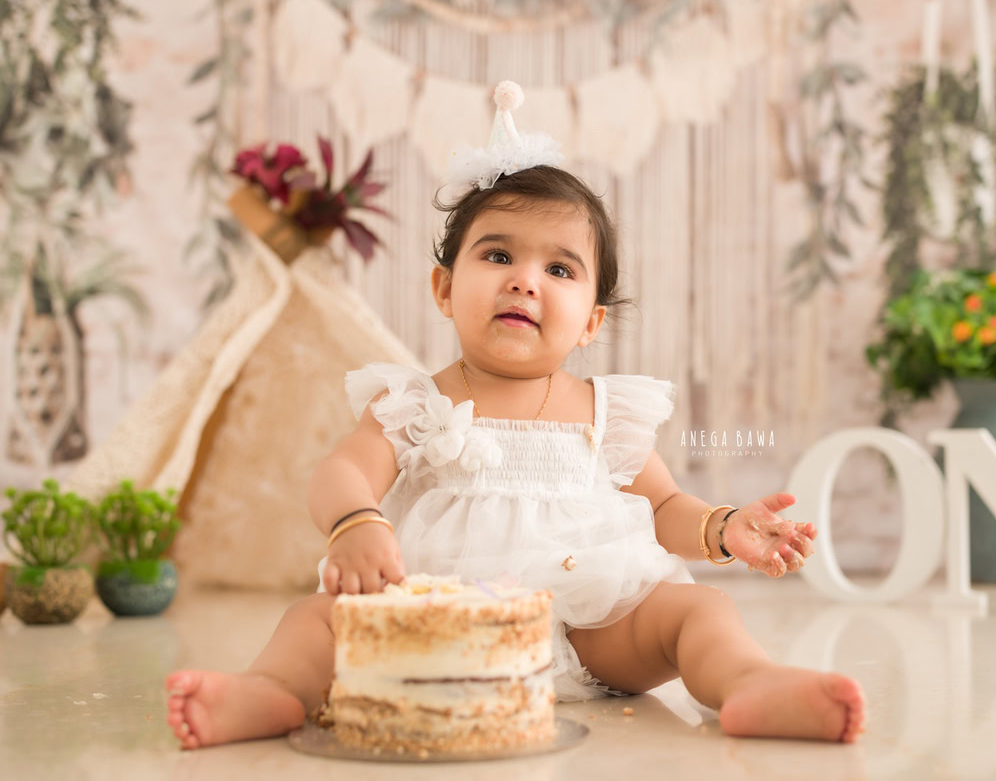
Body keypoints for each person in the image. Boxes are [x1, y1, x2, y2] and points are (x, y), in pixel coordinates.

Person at [166, 82, 866, 749]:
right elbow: (343, 469)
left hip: (597, 623)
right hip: (438, 630)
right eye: (498, 254)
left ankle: (750, 683)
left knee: (701, 614)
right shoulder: (413, 401)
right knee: (317, 621)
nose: (524, 280)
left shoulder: (606, 411)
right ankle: (269, 692)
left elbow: (662, 506)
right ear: (444, 287)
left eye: (559, 270)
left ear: (590, 322)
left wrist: (721, 527)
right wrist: (356, 521)